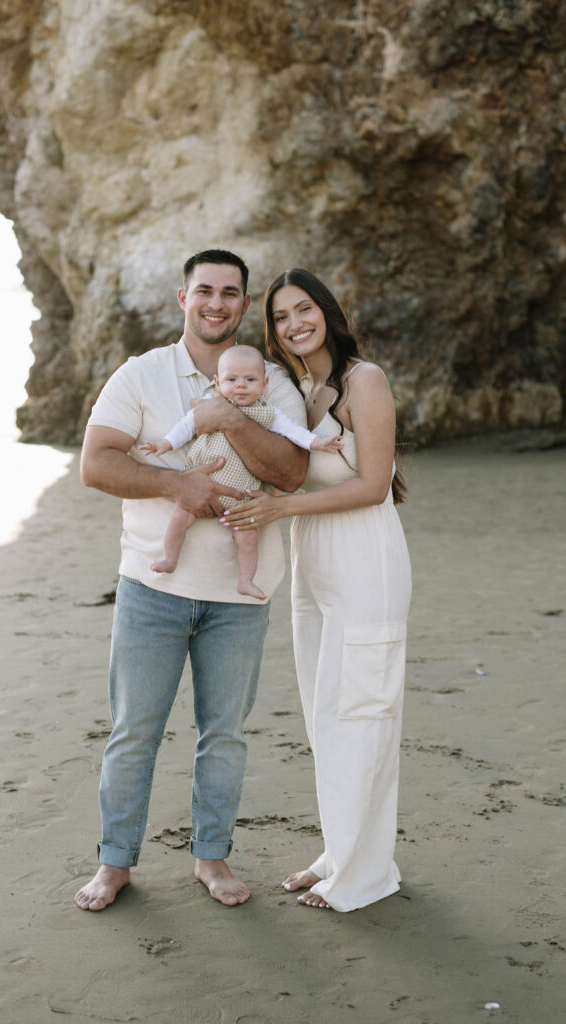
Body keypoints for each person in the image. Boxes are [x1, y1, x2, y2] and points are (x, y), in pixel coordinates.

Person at [74, 250, 308, 911]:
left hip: (241, 594)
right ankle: (113, 864)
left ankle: (212, 859)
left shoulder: (268, 381)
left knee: (224, 734)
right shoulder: (141, 374)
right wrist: (181, 483)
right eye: (203, 290)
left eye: (229, 293)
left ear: (243, 303)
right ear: (182, 298)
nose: (216, 302)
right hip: (151, 591)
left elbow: (291, 473)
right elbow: (96, 464)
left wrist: (231, 418)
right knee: (133, 732)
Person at [220, 268, 411, 912]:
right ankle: (338, 852)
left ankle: (364, 874)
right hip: (314, 558)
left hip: (365, 555)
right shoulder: (299, 390)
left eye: (304, 309)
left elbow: (373, 486)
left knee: (363, 709)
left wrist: (279, 512)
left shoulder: (365, 381)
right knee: (324, 712)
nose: (294, 323)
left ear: (327, 312)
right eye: (280, 317)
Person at [139, 344, 343, 600]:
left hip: (240, 496)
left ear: (264, 383)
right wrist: (165, 444)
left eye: (250, 380)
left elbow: (295, 433)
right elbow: (186, 426)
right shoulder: (209, 404)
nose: (241, 386)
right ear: (217, 382)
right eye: (231, 379)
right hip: (199, 487)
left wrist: (318, 443)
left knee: (248, 538)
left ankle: (246, 580)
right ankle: (170, 557)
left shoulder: (267, 412)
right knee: (179, 519)